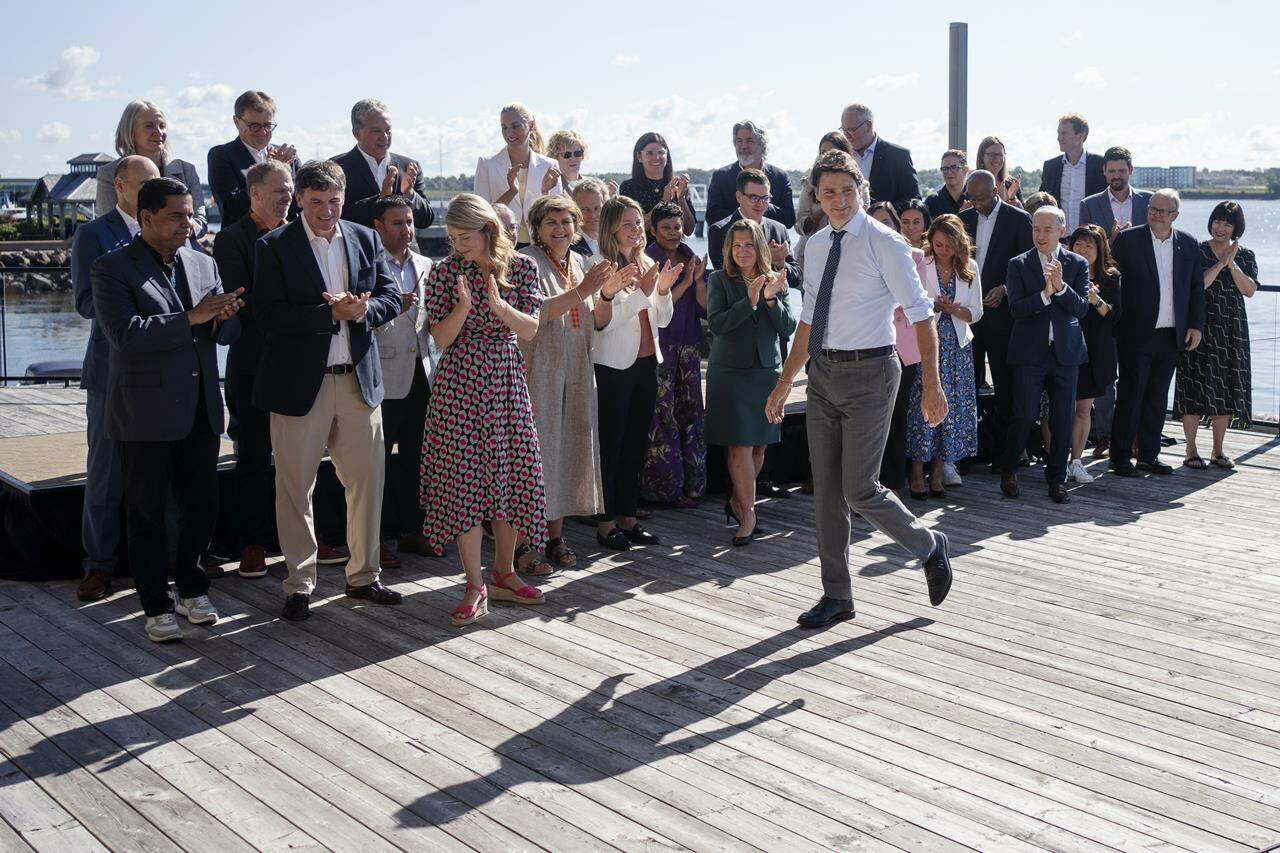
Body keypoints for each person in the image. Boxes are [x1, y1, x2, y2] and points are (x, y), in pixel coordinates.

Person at [764, 149, 952, 629]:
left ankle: (927, 545)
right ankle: (837, 596)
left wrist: (931, 384)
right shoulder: (817, 244)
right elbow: (809, 319)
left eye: (848, 191)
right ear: (817, 197)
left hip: (872, 373)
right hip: (823, 373)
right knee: (826, 492)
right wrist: (786, 382)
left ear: (861, 192)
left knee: (859, 488)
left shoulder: (886, 243)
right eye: (830, 192)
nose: (840, 200)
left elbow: (922, 316)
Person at [92, 177, 244, 641]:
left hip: (200, 408)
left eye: (190, 214)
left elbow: (224, 338)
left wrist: (225, 319)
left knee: (202, 506)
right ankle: (155, 602)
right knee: (148, 513)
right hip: (145, 412)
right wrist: (193, 318)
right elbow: (126, 336)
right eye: (177, 216)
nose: (187, 223)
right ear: (146, 218)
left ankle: (192, 588)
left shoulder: (203, 261)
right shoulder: (111, 267)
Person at [253, 159, 404, 621]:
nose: (325, 211)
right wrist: (328, 315)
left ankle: (364, 576)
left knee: (367, 484)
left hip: (359, 381)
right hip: (303, 387)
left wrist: (363, 311)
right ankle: (299, 584)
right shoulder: (273, 246)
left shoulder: (364, 237)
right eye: (315, 202)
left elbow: (391, 296)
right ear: (298, 199)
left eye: (333, 201)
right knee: (296, 488)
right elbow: (267, 315)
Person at [421, 194, 549, 627]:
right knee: (464, 482)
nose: (457, 244)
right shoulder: (442, 274)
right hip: (459, 386)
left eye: (465, 236)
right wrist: (464, 307)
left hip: (506, 380)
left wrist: (500, 306)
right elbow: (440, 339)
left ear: (488, 230)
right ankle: (474, 583)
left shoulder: (523, 267)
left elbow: (529, 329)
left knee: (509, 476)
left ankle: (504, 573)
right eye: (452, 237)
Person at [70, 155, 159, 602]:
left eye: (156, 183)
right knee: (104, 472)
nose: (151, 190)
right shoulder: (93, 234)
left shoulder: (171, 231)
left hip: (164, 370)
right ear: (120, 186)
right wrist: (134, 308)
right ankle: (98, 566)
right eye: (143, 184)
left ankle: (175, 559)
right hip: (112, 369)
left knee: (166, 470)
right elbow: (86, 302)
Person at [518, 195, 623, 570]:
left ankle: (555, 537)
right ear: (537, 228)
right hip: (541, 368)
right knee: (538, 454)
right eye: (551, 222)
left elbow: (596, 320)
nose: (560, 229)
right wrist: (583, 290)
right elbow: (535, 313)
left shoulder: (580, 262)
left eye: (567, 222)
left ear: (577, 226)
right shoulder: (525, 261)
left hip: (577, 368)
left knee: (568, 451)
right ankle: (524, 544)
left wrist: (607, 293)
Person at [211, 159, 295, 579]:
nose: (287, 198)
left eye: (290, 190)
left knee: (304, 455)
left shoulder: (303, 233)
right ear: (255, 193)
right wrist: (295, 307)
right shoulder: (230, 241)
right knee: (254, 457)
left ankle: (306, 536)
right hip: (254, 366)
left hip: (300, 364)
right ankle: (254, 543)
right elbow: (245, 299)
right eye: (279, 191)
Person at [593, 196, 684, 550]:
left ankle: (628, 517)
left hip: (647, 362)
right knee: (611, 445)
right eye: (627, 224)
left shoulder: (647, 262)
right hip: (613, 366)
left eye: (636, 223)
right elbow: (603, 324)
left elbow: (661, 318)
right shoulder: (602, 267)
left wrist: (662, 290)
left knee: (636, 444)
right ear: (612, 228)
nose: (635, 230)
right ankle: (604, 522)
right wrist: (643, 293)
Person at [706, 219, 795, 545]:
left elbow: (787, 328)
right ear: (728, 249)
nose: (742, 250)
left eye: (748, 244)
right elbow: (717, 325)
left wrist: (770, 300)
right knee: (740, 447)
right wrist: (751, 301)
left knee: (759, 447)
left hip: (766, 372)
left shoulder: (776, 280)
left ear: (758, 247)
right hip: (730, 373)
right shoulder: (719, 280)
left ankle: (736, 503)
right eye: (736, 245)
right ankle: (749, 513)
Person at [1109, 189, 1205, 477]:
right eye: (1153, 209)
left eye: (1163, 211)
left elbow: (1196, 289)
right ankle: (1121, 457)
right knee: (1130, 396)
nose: (1156, 214)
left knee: (1156, 397)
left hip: (1171, 334)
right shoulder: (1127, 240)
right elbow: (1113, 283)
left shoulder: (1188, 244)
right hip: (1135, 333)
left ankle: (1149, 455)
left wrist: (1196, 325)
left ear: (1175, 215)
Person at [998, 206, 1090, 503]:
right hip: (1030, 353)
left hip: (1065, 353)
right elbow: (1016, 309)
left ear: (1062, 231)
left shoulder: (1077, 264)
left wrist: (1061, 287)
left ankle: (1057, 479)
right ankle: (1009, 471)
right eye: (1036, 229)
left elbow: (1082, 308)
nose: (1040, 235)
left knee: (1063, 418)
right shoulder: (1018, 264)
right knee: (1023, 415)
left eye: (1048, 229)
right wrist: (1045, 294)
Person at [370, 195, 438, 568]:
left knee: (417, 458)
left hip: (422, 374)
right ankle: (374, 539)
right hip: (383, 376)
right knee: (375, 462)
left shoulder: (427, 263)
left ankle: (414, 530)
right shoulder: (367, 263)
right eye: (397, 223)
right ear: (379, 226)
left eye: (409, 222)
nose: (406, 229)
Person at [905, 214, 983, 500]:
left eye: (948, 245)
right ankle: (916, 472)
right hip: (928, 346)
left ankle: (938, 472)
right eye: (938, 245)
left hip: (959, 348)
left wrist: (954, 310)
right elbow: (912, 303)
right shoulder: (922, 264)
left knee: (951, 411)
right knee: (921, 410)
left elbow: (977, 312)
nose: (943, 250)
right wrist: (936, 307)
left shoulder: (970, 267)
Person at [1174, 201, 1257, 468]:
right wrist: (1221, 263)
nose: (1220, 228)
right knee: (1193, 384)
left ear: (1236, 228)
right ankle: (1190, 449)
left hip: (1232, 328)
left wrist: (1232, 264)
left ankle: (1218, 450)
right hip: (1199, 324)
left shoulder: (1245, 255)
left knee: (1226, 386)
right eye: (1217, 221)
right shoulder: (1195, 250)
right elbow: (1199, 284)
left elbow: (1249, 290)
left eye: (1227, 223)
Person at [958, 170, 1033, 465]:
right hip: (971, 317)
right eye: (972, 198)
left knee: (1004, 385)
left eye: (982, 198)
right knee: (967, 384)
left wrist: (1004, 288)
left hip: (1003, 319)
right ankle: (965, 450)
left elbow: (1028, 266)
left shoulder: (1018, 219)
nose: (976, 204)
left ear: (996, 191)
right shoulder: (964, 219)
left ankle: (1006, 451)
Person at [642, 201, 707, 507]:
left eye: (677, 228)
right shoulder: (648, 261)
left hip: (689, 343)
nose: (673, 233)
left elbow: (704, 306)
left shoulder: (690, 256)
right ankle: (667, 491)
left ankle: (695, 486)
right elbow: (659, 304)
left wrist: (697, 280)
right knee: (662, 418)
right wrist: (684, 282)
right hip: (662, 346)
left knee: (692, 414)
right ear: (653, 230)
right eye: (666, 228)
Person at [864, 202, 929, 491]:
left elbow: (914, 302)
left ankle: (893, 481)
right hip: (866, 345)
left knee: (896, 416)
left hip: (901, 350)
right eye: (876, 222)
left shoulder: (914, 256)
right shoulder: (860, 257)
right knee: (868, 420)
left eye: (887, 222)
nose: (882, 227)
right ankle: (866, 483)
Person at [1062, 224, 1121, 484]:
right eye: (1078, 244)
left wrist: (1096, 300)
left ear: (1100, 249)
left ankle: (1077, 461)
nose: (1083, 249)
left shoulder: (1111, 277)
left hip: (1095, 351)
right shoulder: (1062, 271)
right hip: (1065, 348)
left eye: (1089, 245)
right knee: (1059, 409)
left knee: (1083, 410)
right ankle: (1057, 461)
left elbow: (1116, 315)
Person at [97, 101, 207, 238]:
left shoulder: (186, 170)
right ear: (130, 131)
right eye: (149, 126)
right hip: (130, 254)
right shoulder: (109, 174)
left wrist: (174, 231)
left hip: (180, 252)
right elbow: (107, 224)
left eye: (162, 126)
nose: (159, 132)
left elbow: (200, 223)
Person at [330, 99, 435, 242]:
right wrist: (380, 199)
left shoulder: (409, 166)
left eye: (388, 130)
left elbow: (426, 220)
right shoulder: (336, 168)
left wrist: (410, 195)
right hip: (362, 258)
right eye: (376, 131)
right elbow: (335, 217)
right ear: (356, 133)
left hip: (404, 260)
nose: (384, 137)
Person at [206, 90, 299, 227]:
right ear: (237, 122)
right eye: (254, 126)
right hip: (244, 241)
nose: (262, 132)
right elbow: (232, 207)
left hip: (285, 238)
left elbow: (302, 202)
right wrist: (272, 170)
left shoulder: (288, 156)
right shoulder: (221, 155)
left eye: (268, 126)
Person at [473, 103, 560, 245]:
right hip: (501, 245)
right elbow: (482, 215)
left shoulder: (549, 165)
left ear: (531, 125)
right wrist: (511, 192)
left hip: (541, 245)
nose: (509, 133)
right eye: (504, 127)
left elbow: (557, 214)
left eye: (515, 126)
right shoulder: (486, 164)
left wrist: (545, 192)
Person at [706, 169, 801, 290]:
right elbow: (726, 280)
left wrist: (781, 263)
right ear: (739, 197)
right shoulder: (719, 231)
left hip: (775, 307)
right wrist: (767, 259)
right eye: (754, 198)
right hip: (739, 306)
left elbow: (796, 279)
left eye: (765, 198)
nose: (761, 203)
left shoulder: (779, 229)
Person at [706, 120, 796, 229]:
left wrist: (762, 204)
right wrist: (745, 211)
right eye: (739, 141)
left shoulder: (780, 177)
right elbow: (711, 217)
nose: (743, 146)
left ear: (762, 145)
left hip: (769, 244)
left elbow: (789, 219)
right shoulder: (720, 177)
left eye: (749, 141)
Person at [839, 103, 920, 212]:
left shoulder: (898, 156)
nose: (847, 136)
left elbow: (913, 200)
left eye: (851, 131)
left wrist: (882, 212)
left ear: (868, 125)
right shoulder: (841, 156)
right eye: (844, 131)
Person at [796, 131, 853, 268]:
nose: (826, 157)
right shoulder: (810, 183)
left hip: (848, 254)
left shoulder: (857, 183)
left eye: (832, 152)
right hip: (812, 256)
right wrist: (825, 205)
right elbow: (800, 226)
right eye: (823, 152)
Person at [618, 132, 695, 234]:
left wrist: (681, 199)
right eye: (650, 153)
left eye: (660, 152)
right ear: (639, 157)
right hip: (642, 249)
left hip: (673, 248)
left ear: (667, 155)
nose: (656, 157)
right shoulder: (628, 187)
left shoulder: (678, 185)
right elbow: (636, 229)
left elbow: (688, 231)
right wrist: (664, 202)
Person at [1039, 113, 1105, 231]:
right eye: (1058, 133)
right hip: (1058, 238)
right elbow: (1041, 202)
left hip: (1089, 239)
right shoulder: (1051, 167)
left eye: (1064, 133)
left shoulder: (1099, 165)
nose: (1059, 138)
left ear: (1081, 135)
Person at [1079, 146, 1151, 240]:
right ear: (1104, 170)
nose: (1116, 176)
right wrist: (1112, 241)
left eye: (1121, 171)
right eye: (1112, 171)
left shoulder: (1149, 200)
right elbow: (1085, 246)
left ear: (1130, 170)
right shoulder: (1088, 205)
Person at [546, 129, 611, 195]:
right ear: (555, 157)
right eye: (567, 155)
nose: (573, 159)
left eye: (577, 153)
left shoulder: (595, 187)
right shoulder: (550, 187)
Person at [976, 136, 1023, 207]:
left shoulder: (1011, 184)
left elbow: (1025, 215)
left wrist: (1014, 201)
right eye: (992, 155)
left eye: (1000, 155)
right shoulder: (973, 184)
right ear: (982, 157)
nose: (997, 158)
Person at [923, 149, 969, 219]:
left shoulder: (974, 199)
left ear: (965, 170)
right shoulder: (932, 202)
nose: (949, 172)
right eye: (945, 168)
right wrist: (961, 215)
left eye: (954, 167)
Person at [569, 178, 608, 260]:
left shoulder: (616, 238)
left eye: (597, 208)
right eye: (585, 209)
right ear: (575, 210)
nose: (592, 215)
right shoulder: (568, 244)